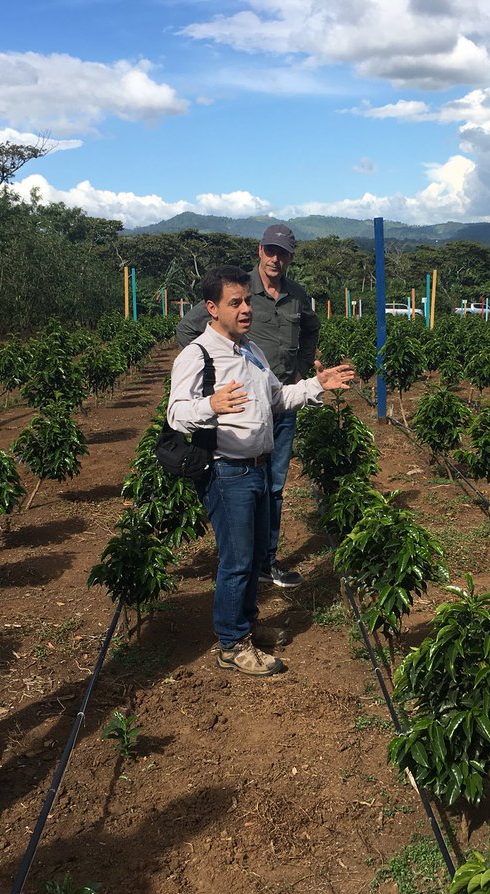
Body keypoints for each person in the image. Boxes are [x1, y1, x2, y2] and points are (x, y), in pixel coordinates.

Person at [168, 265, 353, 676]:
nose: (246, 309)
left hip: (258, 468)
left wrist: (317, 385)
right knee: (236, 561)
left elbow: (277, 398)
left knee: (253, 560)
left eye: (248, 300)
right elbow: (176, 413)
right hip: (226, 472)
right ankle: (232, 645)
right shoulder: (197, 355)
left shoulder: (251, 349)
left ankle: (248, 625)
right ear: (212, 308)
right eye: (235, 302)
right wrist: (211, 405)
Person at [175, 223, 319, 588]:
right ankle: (242, 565)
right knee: (241, 484)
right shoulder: (236, 289)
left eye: (283, 253)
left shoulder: (297, 296)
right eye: (270, 250)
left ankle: (265, 563)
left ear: (290, 257)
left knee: (274, 486)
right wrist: (212, 372)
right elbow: (188, 329)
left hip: (280, 400)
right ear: (260, 250)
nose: (275, 258)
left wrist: (302, 369)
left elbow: (311, 329)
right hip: (237, 409)